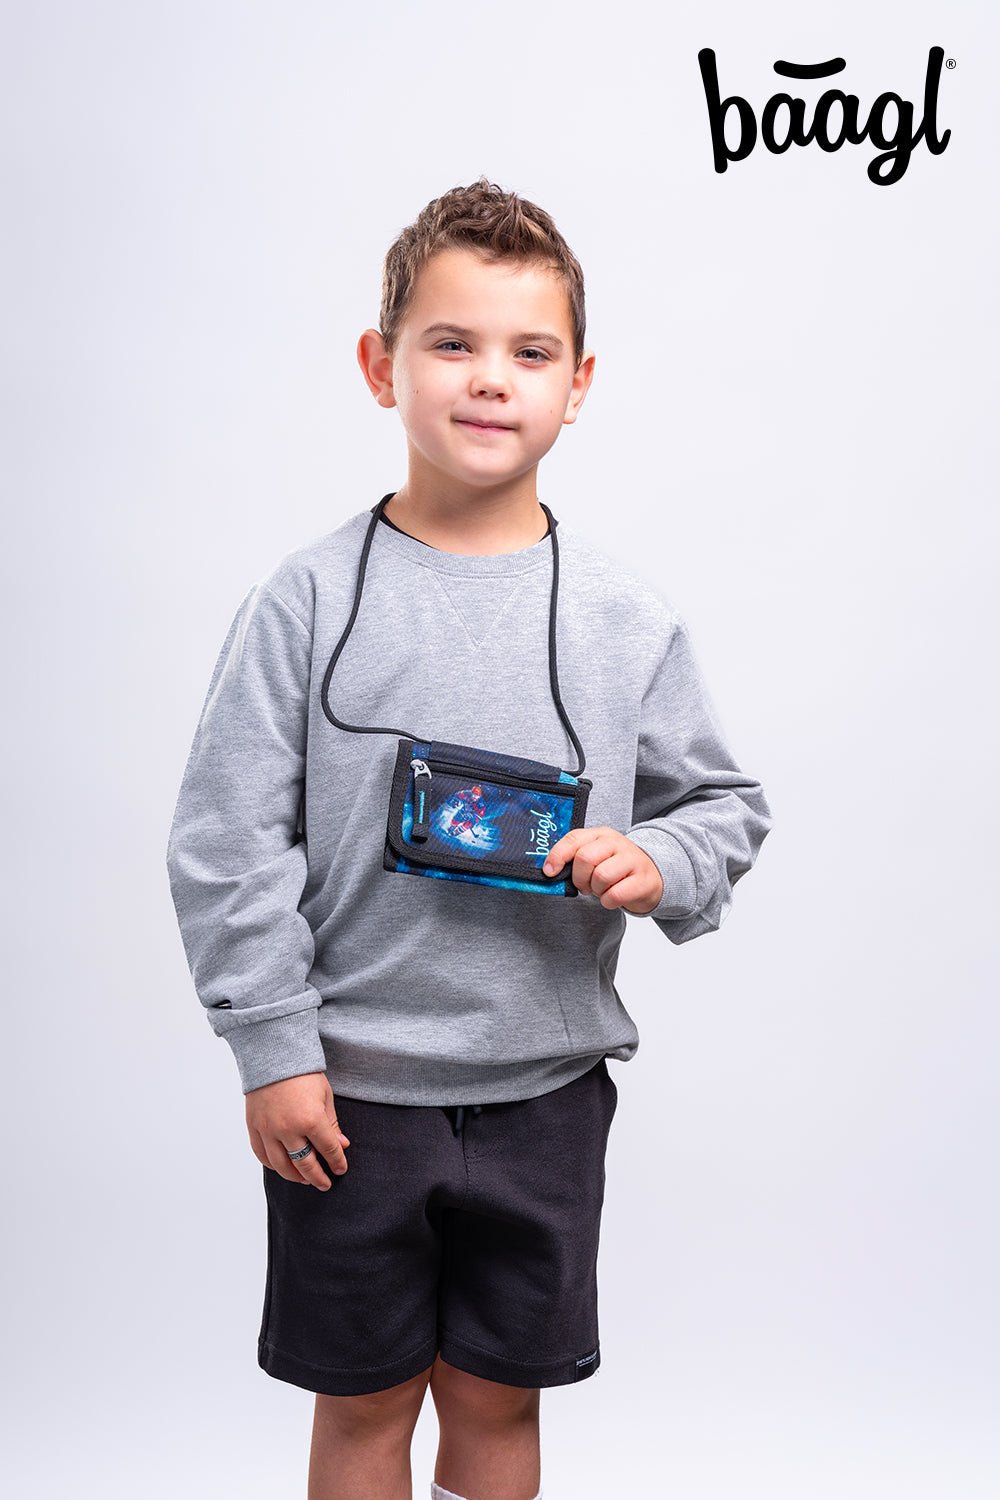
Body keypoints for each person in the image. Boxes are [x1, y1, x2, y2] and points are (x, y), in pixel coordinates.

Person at [167, 180, 771, 1500]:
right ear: (380, 366)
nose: (491, 378)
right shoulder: (304, 600)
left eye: (529, 351)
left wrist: (658, 862)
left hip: (545, 1093)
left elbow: (723, 806)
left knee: (499, 1408)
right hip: (347, 1099)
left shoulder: (625, 618)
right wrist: (272, 1047)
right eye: (452, 343)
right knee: (363, 1407)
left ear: (578, 384)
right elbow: (226, 837)